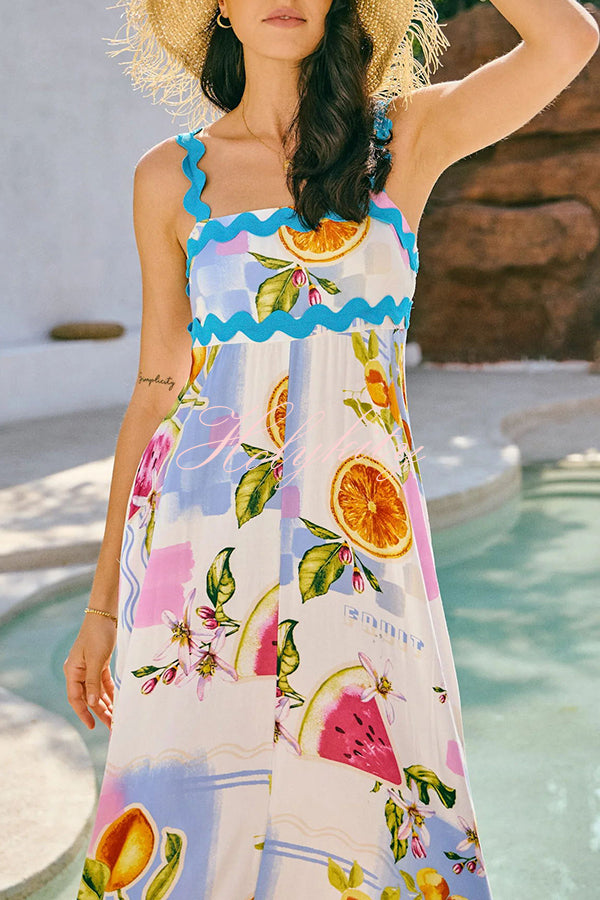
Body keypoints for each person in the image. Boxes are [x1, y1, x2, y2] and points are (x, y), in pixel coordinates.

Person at [65, 1, 598, 897]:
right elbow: (157, 387)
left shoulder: (407, 141)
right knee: (191, 828)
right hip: (200, 556)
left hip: (359, 552)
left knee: (374, 828)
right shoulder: (169, 177)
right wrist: (101, 605)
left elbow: (569, 40)